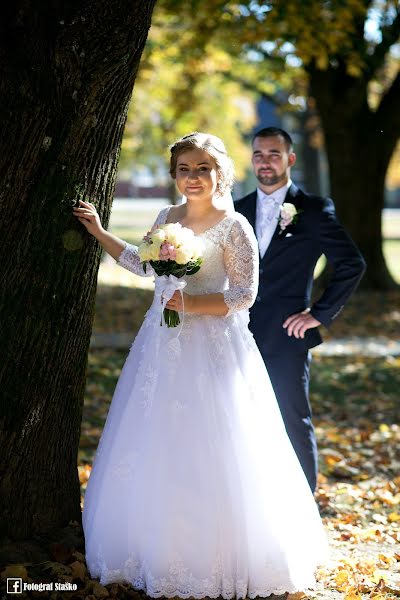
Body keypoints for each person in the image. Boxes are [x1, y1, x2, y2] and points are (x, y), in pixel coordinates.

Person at [74, 132, 328, 599]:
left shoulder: (234, 226)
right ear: (174, 176)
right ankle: (149, 543)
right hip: (160, 342)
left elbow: (244, 294)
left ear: (220, 174)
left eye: (203, 169)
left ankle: (219, 553)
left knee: (215, 437)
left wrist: (190, 305)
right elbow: (143, 264)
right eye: (185, 170)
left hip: (213, 346)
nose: (194, 178)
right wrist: (98, 231)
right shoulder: (166, 217)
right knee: (154, 435)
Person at [235, 127, 366, 494]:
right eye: (259, 154)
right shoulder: (236, 209)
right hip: (235, 333)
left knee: (293, 418)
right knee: (238, 419)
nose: (265, 162)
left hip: (286, 336)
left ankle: (303, 506)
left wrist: (318, 314)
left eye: (274, 154)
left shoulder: (313, 210)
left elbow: (352, 264)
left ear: (290, 159)